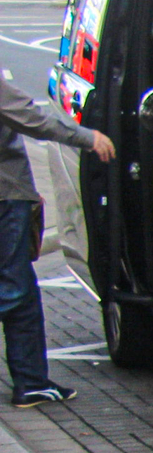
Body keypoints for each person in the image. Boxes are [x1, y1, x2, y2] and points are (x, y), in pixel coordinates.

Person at [0, 75, 113, 408]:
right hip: (6, 196)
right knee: (15, 291)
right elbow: (30, 117)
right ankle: (31, 381)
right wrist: (86, 136)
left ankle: (32, 381)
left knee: (20, 290)